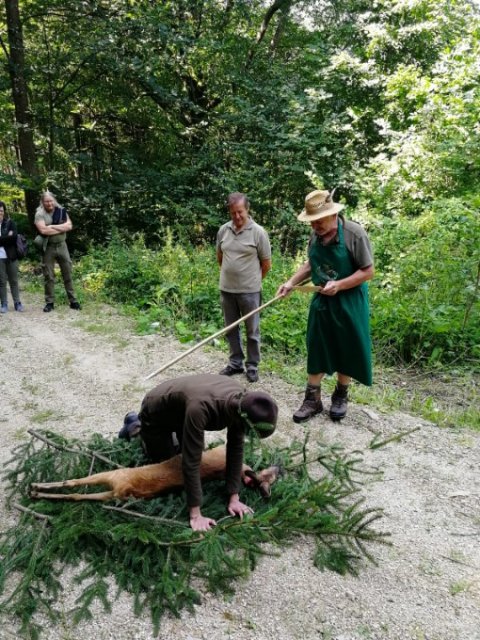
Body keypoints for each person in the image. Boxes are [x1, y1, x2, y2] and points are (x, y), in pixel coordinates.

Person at [119, 373, 278, 532]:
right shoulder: (201, 407)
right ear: (244, 418)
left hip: (183, 413)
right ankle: (135, 425)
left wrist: (234, 497)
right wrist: (196, 515)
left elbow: (235, 449)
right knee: (170, 467)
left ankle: (173, 434)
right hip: (157, 412)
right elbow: (191, 462)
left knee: (190, 451)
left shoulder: (244, 405)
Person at [276, 189, 374, 422]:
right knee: (317, 345)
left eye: (318, 221)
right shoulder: (316, 236)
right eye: (311, 222)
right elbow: (312, 263)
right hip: (323, 300)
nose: (314, 226)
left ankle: (340, 395)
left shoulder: (354, 234)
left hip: (350, 300)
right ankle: (313, 400)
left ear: (333, 215)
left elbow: (368, 271)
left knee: (347, 346)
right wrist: (290, 282)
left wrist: (340, 284)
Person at [216, 192, 272, 383]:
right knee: (230, 329)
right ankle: (235, 363)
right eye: (233, 213)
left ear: (247, 209)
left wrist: (253, 281)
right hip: (227, 290)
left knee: (252, 331)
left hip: (250, 291)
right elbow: (220, 258)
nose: (237, 217)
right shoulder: (223, 230)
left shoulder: (258, 232)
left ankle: (252, 366)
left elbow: (266, 264)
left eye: (240, 212)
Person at [34, 191, 81, 312]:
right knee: (48, 275)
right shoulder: (39, 214)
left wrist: (51, 227)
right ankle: (49, 302)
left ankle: (73, 301)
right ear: (42, 202)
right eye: (46, 201)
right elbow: (44, 231)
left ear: (54, 200)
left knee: (68, 273)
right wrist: (60, 228)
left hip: (62, 246)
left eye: (51, 201)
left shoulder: (61, 211)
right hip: (48, 248)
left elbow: (69, 226)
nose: (49, 203)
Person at [0, 201, 24, 313]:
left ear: (4, 212)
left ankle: (17, 303)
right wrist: (6, 238)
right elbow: (9, 238)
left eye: (1, 211)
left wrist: (2, 239)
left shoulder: (10, 223)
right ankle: (4, 304)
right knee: (1, 281)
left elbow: (14, 237)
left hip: (11, 256)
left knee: (14, 280)